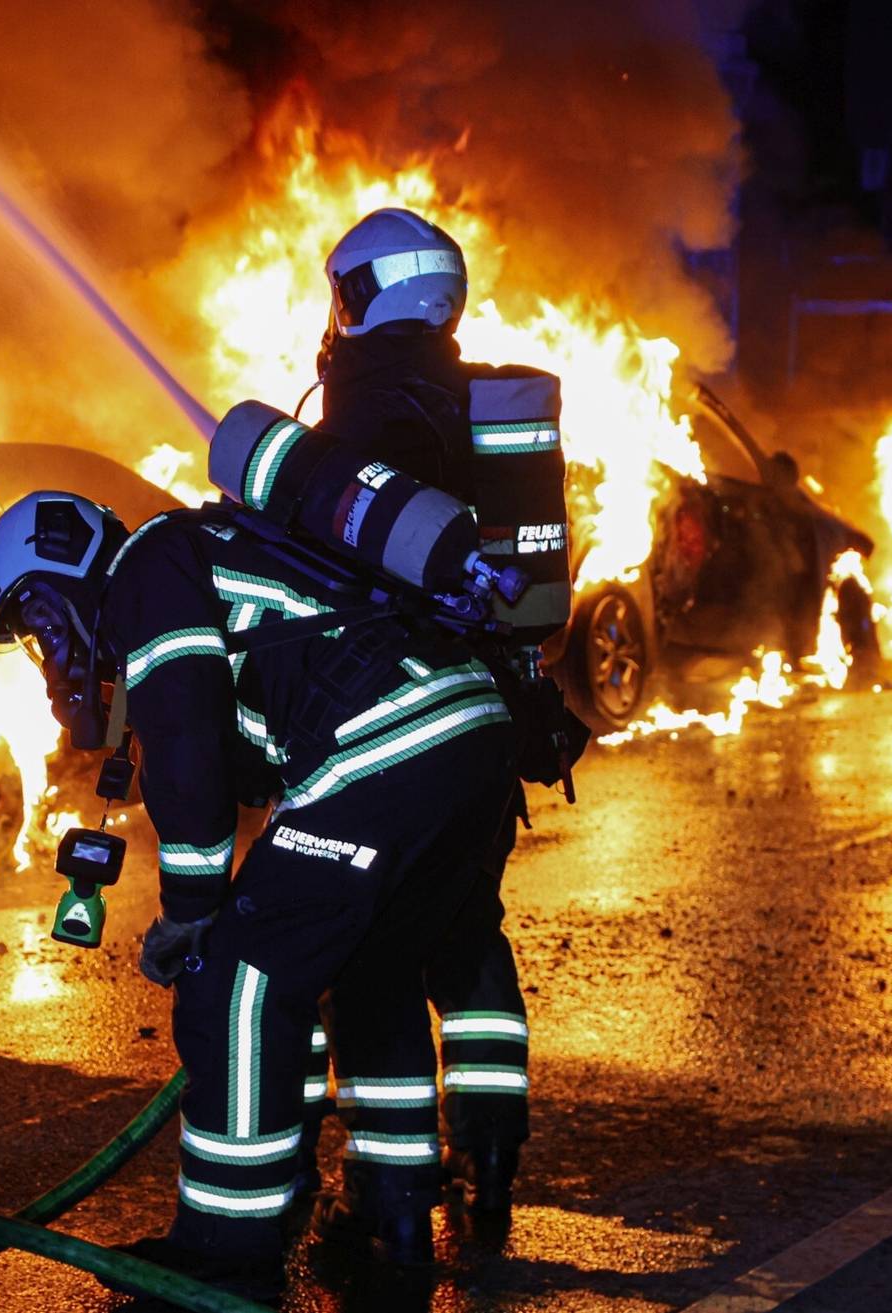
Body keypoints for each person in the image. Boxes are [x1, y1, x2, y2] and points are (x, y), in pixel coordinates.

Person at [0, 489, 518, 1299]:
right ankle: (393, 1217)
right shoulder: (207, 552)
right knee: (371, 976)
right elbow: (248, 746)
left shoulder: (145, 571)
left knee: (238, 983)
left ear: (63, 572)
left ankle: (226, 1250)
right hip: (470, 735)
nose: (48, 655)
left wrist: (191, 912)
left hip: (388, 741)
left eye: (36, 626)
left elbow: (190, 752)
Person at [302, 207, 581, 1242]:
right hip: (493, 728)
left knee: (372, 956)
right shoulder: (482, 407)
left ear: (365, 294)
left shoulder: (366, 415)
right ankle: (493, 1148)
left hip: (394, 735)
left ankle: (390, 1195)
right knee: (468, 938)